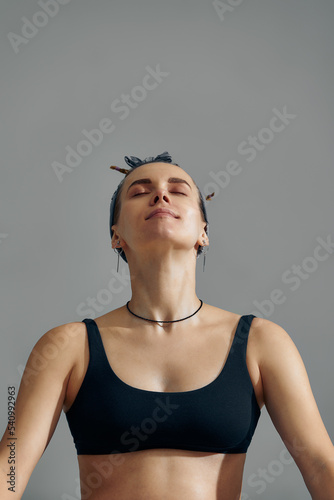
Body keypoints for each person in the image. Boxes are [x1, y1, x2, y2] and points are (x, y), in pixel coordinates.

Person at [0, 152, 333, 500]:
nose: (160, 195)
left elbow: (321, 464)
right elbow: (11, 466)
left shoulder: (261, 342)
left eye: (178, 190)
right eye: (140, 191)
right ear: (116, 236)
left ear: (203, 232)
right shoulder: (67, 346)